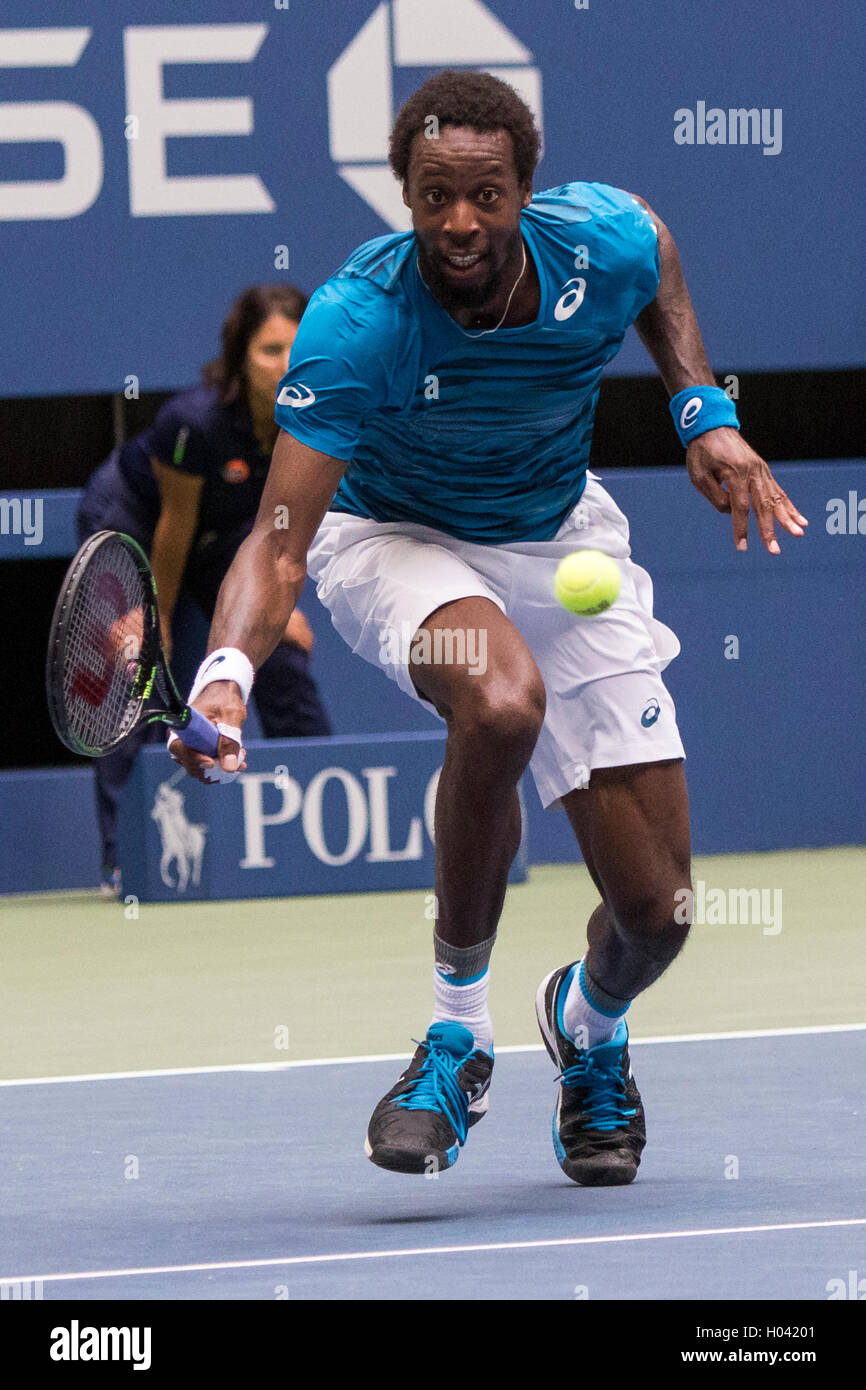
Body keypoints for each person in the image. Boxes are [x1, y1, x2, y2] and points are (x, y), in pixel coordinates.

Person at [170, 73, 807, 1185]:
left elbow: (654, 248)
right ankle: (454, 1037)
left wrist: (700, 408)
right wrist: (225, 674)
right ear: (403, 194)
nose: (458, 223)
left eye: (485, 194)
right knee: (500, 697)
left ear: (525, 187)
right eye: (432, 197)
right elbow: (279, 538)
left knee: (657, 913)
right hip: (395, 535)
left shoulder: (595, 243)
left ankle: (587, 1023)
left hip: (559, 541)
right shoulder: (355, 321)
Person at [77, 285, 332, 895]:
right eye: (270, 350)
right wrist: (156, 620)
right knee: (134, 671)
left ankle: (321, 820)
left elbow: (278, 534)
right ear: (241, 355)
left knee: (281, 655)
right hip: (138, 521)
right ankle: (125, 861)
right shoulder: (193, 423)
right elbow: (174, 531)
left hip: (226, 533)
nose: (284, 364)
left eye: (297, 349)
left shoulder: (315, 416)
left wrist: (274, 612)